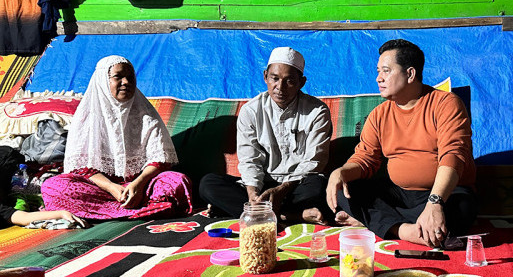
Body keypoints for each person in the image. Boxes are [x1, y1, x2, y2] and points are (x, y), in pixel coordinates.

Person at [326, 39, 477, 248]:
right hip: (400, 194)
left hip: (445, 193)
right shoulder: (379, 114)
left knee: (462, 209)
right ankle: (408, 230)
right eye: (378, 71)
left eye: (386, 71)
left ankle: (383, 223)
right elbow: (365, 158)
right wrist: (341, 172)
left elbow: (453, 155)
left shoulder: (446, 104)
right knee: (345, 189)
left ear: (410, 74)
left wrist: (435, 203)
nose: (379, 78)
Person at [41, 55, 193, 220]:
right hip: (101, 188)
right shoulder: (87, 118)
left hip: (142, 187)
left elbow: (160, 160)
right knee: (53, 187)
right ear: (103, 81)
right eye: (118, 77)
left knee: (177, 181)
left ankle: (108, 211)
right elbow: (81, 167)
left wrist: (139, 184)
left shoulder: (147, 115)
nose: (126, 82)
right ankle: (142, 209)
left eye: (130, 77)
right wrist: (111, 187)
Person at [199, 47, 332, 224]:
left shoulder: (317, 112)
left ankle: (252, 212)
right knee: (208, 184)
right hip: (263, 185)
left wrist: (282, 190)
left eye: (289, 81)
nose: (280, 87)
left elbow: (315, 162)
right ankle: (290, 215)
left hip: (296, 186)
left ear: (301, 82)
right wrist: (253, 193)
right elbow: (250, 160)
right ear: (265, 77)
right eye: (274, 79)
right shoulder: (251, 111)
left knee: (318, 187)